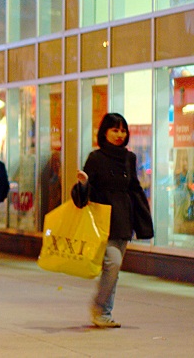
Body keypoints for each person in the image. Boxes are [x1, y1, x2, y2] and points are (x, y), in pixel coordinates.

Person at [72, 113, 154, 328]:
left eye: (122, 130)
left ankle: (104, 313)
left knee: (113, 269)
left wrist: (143, 219)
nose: (119, 134)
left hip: (123, 219)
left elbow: (134, 189)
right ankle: (100, 308)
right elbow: (85, 191)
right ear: (104, 132)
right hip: (101, 220)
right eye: (115, 130)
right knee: (113, 263)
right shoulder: (96, 158)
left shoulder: (129, 158)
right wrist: (83, 183)